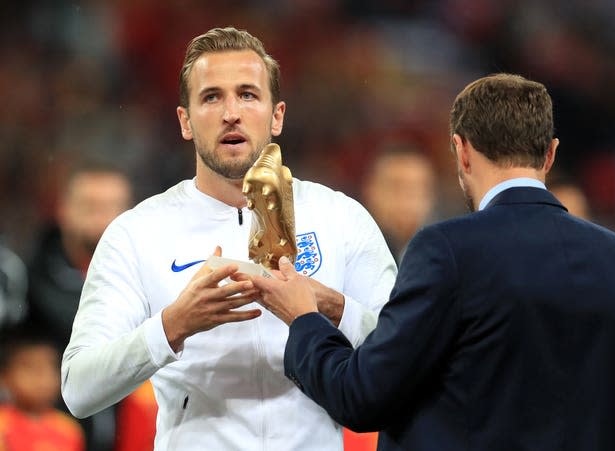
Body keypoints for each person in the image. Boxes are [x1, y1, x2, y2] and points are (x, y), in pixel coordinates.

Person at [250, 73, 615, 450]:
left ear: (462, 150)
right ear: (550, 153)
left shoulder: (447, 251)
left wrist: (304, 321)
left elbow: (362, 395)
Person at [61, 27, 396, 451]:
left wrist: (333, 308)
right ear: (185, 121)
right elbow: (78, 388)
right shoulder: (137, 233)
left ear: (277, 116)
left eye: (248, 94)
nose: (231, 113)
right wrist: (172, 326)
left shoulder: (341, 218)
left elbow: (403, 356)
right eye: (211, 97)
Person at [26, 158, 134, 451]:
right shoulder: (29, 284)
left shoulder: (146, 281)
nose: (102, 218)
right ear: (63, 209)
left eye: (112, 207)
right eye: (89, 206)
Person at [0, 325, 84, 451]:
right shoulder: (3, 425)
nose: (42, 378)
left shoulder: (69, 429)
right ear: (5, 377)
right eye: (30, 368)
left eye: (50, 368)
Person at [360, 143, 438, 263]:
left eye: (418, 190)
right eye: (397, 187)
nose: (409, 201)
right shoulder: (348, 253)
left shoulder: (444, 258)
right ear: (371, 191)